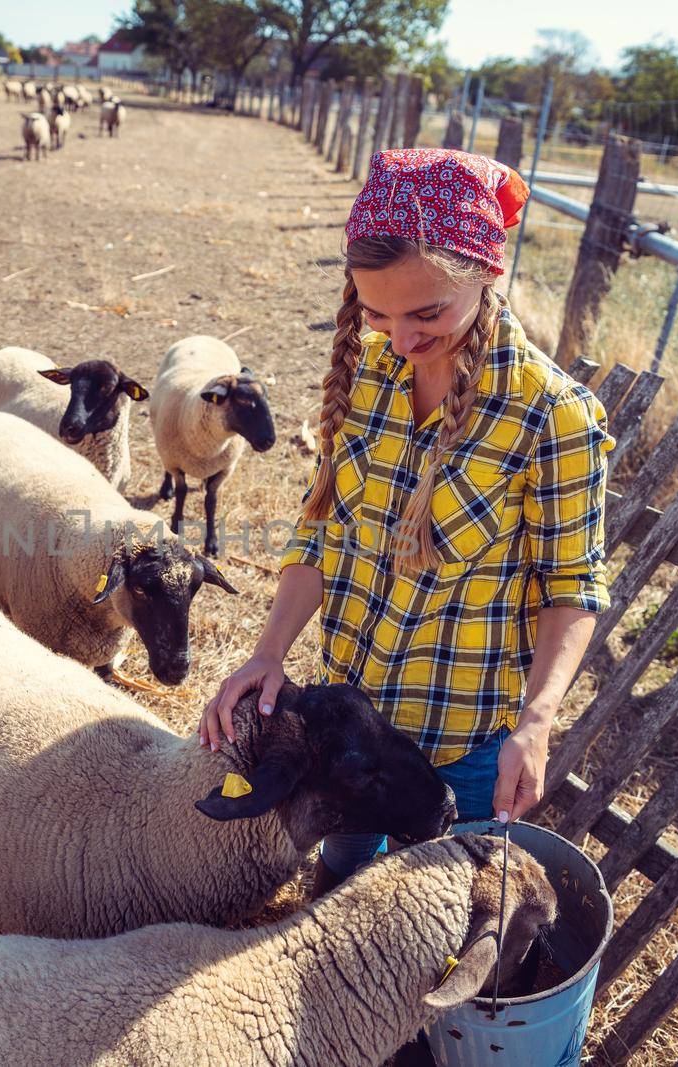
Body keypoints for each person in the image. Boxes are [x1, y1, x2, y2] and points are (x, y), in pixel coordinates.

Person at [199, 147, 614, 896]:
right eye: (377, 312)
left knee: (434, 943)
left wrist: (537, 722)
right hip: (347, 743)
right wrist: (268, 650)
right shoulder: (368, 377)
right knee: (335, 910)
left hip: (460, 744)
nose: (400, 340)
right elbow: (320, 530)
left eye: (427, 313)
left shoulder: (553, 416)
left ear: (487, 273)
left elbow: (572, 587)